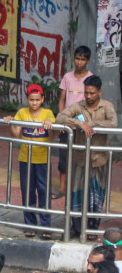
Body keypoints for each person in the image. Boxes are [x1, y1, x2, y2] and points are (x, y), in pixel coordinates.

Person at [56, 75, 117, 237]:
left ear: (99, 92)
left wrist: (92, 124)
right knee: (76, 192)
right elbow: (60, 117)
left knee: (96, 195)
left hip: (99, 159)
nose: (89, 97)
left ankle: (91, 229)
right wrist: (79, 123)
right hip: (80, 159)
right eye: (86, 93)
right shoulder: (79, 106)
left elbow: (113, 123)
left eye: (92, 93)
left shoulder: (107, 106)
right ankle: (76, 228)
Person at [5, 83, 57, 235]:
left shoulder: (48, 113)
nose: (34, 103)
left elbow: (51, 134)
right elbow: (16, 136)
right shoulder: (22, 112)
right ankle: (30, 225)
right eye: (31, 99)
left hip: (43, 159)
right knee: (27, 191)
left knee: (43, 192)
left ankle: (45, 226)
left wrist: (50, 124)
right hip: (25, 158)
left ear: (42, 99)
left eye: (37, 99)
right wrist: (11, 122)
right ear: (27, 99)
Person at [55, 46, 92, 199]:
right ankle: (62, 189)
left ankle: (79, 190)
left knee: (81, 157)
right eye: (77, 58)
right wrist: (63, 120)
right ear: (73, 58)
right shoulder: (67, 77)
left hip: (82, 125)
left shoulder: (90, 78)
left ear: (87, 61)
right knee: (64, 156)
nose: (80, 62)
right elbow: (62, 100)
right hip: (67, 124)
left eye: (83, 59)